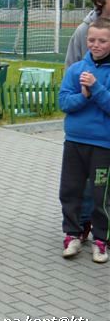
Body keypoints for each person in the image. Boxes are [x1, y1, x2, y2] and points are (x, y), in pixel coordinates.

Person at [58, 17, 110, 264]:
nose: (96, 45)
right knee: (70, 190)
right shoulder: (76, 70)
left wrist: (97, 88)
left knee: (101, 196)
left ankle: (101, 240)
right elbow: (65, 103)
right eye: (91, 40)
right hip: (75, 142)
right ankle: (72, 234)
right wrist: (84, 95)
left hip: (103, 145)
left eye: (102, 40)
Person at [64, 0, 110, 240]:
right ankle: (80, 226)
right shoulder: (85, 31)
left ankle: (102, 229)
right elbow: (72, 69)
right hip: (85, 127)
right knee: (81, 184)